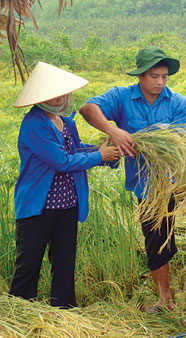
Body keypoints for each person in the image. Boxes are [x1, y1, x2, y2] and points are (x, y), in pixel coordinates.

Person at [79, 46, 186, 313]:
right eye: (154, 76)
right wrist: (114, 131)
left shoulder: (177, 103)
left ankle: (182, 287)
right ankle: (165, 298)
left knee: (178, 235)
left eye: (165, 76)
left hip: (175, 181)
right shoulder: (121, 97)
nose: (160, 82)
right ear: (141, 75)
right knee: (156, 237)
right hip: (146, 186)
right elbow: (87, 108)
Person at [9, 61, 120, 308]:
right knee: (29, 264)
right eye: (58, 93)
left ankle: (64, 313)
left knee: (64, 263)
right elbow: (61, 161)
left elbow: (77, 151)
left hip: (67, 205)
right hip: (38, 207)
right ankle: (20, 311)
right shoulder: (34, 124)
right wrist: (99, 156)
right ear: (45, 97)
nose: (64, 97)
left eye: (65, 92)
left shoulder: (66, 122)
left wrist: (109, 154)